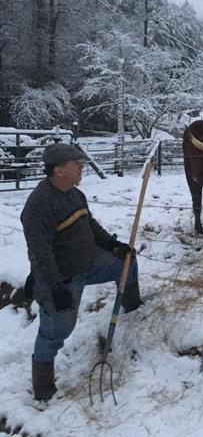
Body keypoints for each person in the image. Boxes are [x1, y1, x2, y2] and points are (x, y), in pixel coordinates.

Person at [21, 143, 142, 402]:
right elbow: (39, 253)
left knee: (126, 263)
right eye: (76, 163)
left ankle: (135, 310)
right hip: (62, 277)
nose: (81, 166)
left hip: (90, 262)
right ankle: (43, 388)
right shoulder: (38, 206)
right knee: (56, 333)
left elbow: (89, 223)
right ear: (59, 170)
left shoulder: (75, 194)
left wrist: (111, 245)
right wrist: (56, 288)